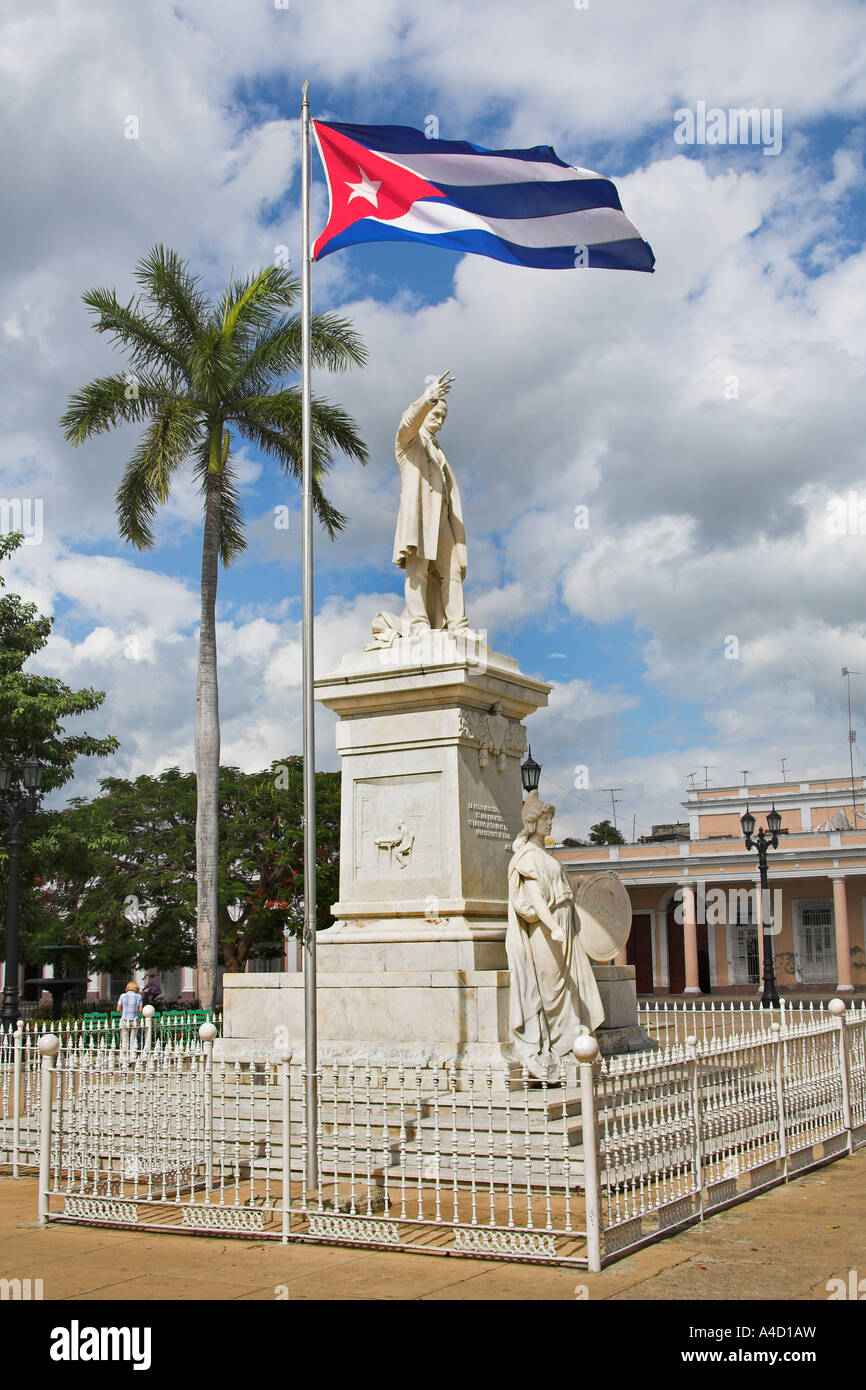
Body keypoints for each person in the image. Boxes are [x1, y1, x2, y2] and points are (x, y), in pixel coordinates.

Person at [506, 791, 605, 1081]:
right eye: (545, 819)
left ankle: (573, 1044)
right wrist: (552, 925)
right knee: (552, 985)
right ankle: (561, 1047)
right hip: (547, 928)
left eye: (551, 819)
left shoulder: (545, 855)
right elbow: (535, 899)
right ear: (532, 822)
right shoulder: (527, 858)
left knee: (568, 984)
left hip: (563, 925)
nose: (549, 824)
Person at [392, 370, 469, 635]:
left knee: (452, 572)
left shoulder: (439, 451)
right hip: (420, 516)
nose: (440, 420)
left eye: (443, 417)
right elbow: (406, 423)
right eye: (436, 414)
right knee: (418, 572)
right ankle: (418, 623)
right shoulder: (408, 444)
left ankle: (458, 626)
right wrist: (428, 399)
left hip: (442, 518)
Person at [116, 980, 142, 1052]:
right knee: (133, 1039)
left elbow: (118, 1009)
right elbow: (140, 1010)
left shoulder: (122, 996)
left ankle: (124, 1055)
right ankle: (132, 1055)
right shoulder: (138, 996)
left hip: (124, 1019)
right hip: (134, 1019)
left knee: (124, 1039)